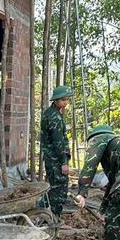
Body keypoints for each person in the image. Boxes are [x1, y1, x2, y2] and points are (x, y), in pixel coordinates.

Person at [40, 85, 73, 218]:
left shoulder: (49, 113)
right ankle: (54, 217)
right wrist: (64, 162)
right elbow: (58, 143)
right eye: (63, 100)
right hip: (56, 159)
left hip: (50, 157)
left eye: (67, 100)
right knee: (60, 189)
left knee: (53, 187)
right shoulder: (55, 118)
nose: (66, 103)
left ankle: (40, 210)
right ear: (56, 100)